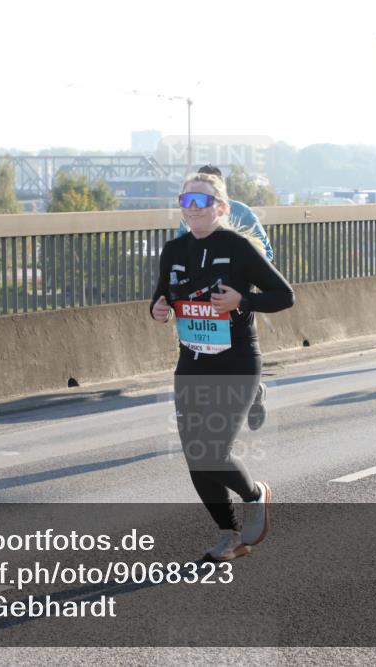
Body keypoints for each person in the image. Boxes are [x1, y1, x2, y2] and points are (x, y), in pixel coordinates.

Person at [151, 172, 294, 561]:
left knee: (213, 450)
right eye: (186, 201)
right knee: (194, 456)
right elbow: (161, 297)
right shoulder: (173, 250)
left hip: (237, 362)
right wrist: (158, 309)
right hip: (192, 363)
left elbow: (284, 296)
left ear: (221, 207)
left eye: (202, 201)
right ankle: (228, 534)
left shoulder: (239, 248)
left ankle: (255, 495)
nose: (192, 208)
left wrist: (241, 301)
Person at [177, 164, 274, 430]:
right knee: (205, 354)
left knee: (233, 355)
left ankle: (253, 393)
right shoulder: (190, 215)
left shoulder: (242, 212)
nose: (198, 203)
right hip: (201, 299)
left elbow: (266, 252)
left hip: (234, 297)